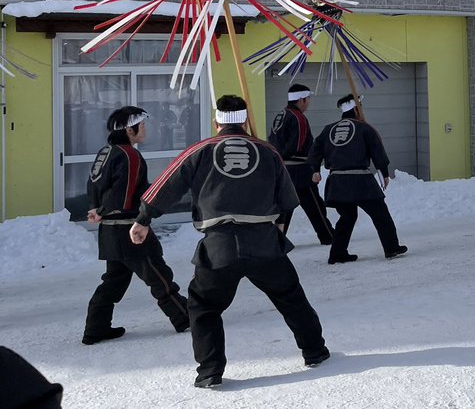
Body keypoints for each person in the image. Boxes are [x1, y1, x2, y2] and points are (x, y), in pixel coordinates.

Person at [132, 95, 328, 389]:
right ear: (247, 120)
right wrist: (280, 224)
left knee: (204, 306)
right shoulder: (268, 151)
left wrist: (143, 219)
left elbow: (166, 185)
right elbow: (288, 197)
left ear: (217, 122)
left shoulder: (199, 150)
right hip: (263, 240)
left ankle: (210, 371)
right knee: (290, 296)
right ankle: (315, 351)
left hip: (218, 244)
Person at [82, 107, 189, 345]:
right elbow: (125, 192)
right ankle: (185, 317)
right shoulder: (128, 154)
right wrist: (137, 214)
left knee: (113, 280)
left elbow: (94, 185)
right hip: (128, 227)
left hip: (109, 229)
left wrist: (97, 208)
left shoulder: (106, 152)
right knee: (158, 275)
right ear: (130, 130)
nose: (145, 130)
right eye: (142, 125)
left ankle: (95, 328)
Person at [308, 94, 406, 264]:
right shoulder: (364, 128)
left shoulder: (328, 129)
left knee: (347, 217)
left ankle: (337, 254)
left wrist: (315, 169)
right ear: (356, 109)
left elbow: (315, 150)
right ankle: (391, 248)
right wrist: (383, 172)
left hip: (337, 181)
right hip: (361, 181)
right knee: (380, 214)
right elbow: (377, 150)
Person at [270, 84, 334, 246]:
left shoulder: (281, 115)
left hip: (282, 169)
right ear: (302, 100)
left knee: (285, 206)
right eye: (308, 99)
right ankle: (328, 235)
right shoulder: (298, 118)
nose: (309, 102)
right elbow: (297, 146)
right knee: (314, 205)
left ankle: (277, 240)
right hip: (299, 169)